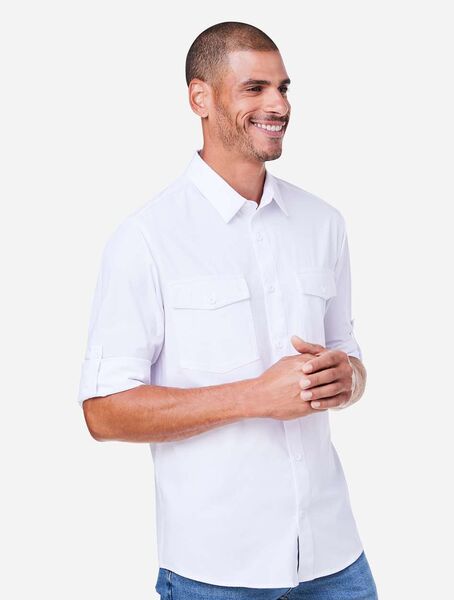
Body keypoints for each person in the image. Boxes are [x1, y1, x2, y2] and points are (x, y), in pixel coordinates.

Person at [77, 21, 378, 600]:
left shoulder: (324, 223)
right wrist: (255, 397)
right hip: (216, 571)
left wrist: (349, 379)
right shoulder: (146, 239)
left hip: (335, 557)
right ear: (200, 98)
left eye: (283, 88)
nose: (278, 105)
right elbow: (103, 411)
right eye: (254, 88)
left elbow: (350, 356)